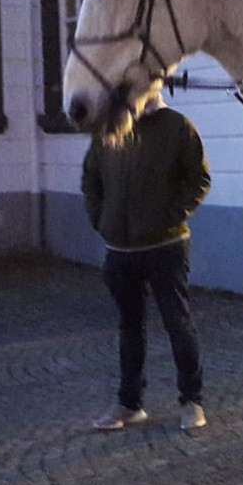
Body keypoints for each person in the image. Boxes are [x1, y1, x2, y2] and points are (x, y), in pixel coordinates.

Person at [82, 90, 211, 432]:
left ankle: (191, 401)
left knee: (177, 322)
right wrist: (100, 219)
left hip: (166, 246)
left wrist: (169, 216)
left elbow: (199, 179)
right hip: (120, 250)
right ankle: (129, 403)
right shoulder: (109, 127)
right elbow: (90, 178)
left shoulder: (176, 127)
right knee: (129, 328)